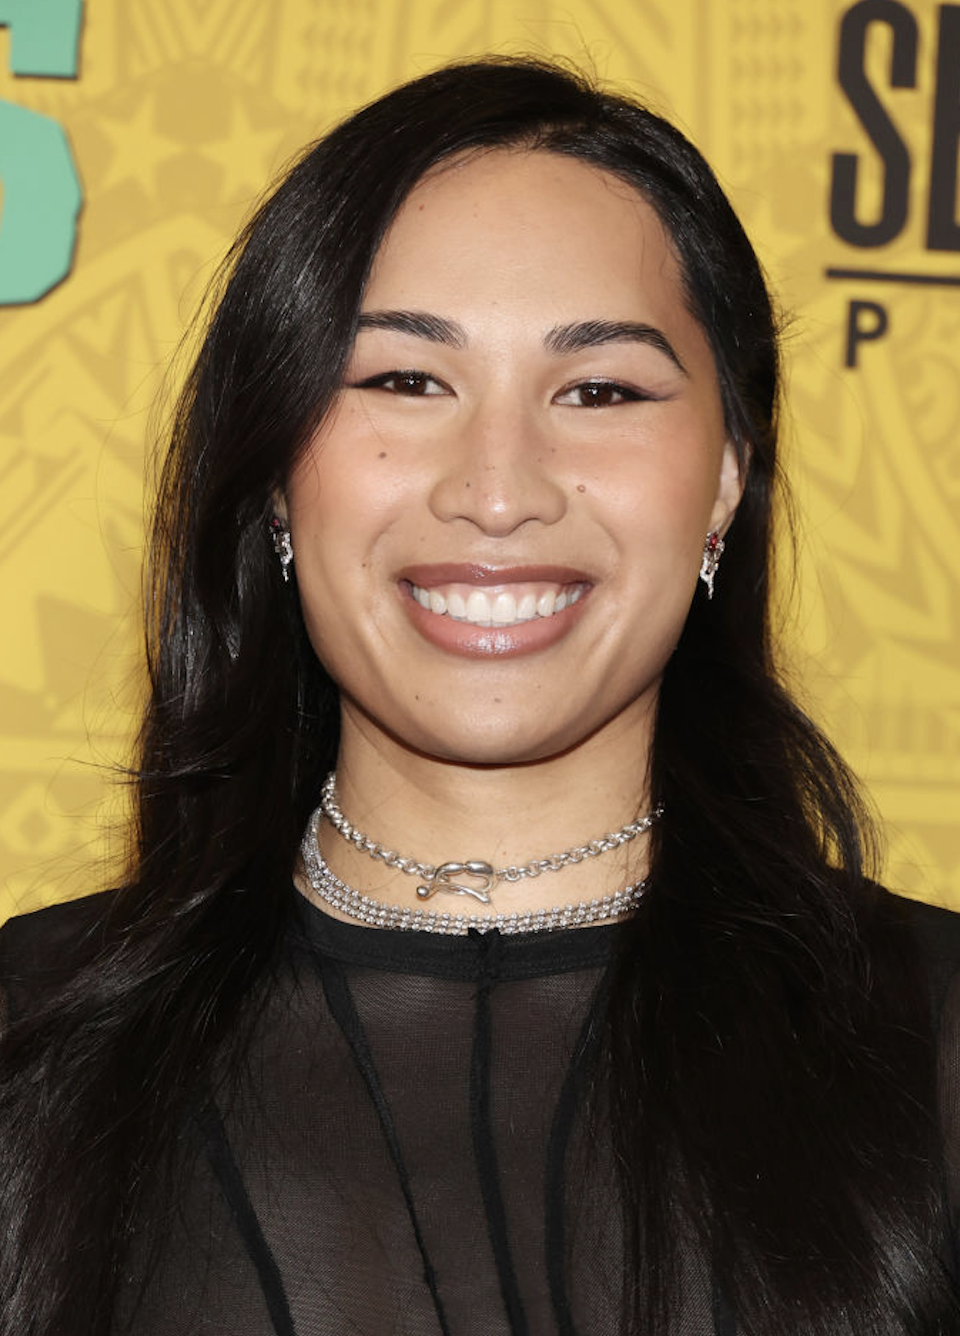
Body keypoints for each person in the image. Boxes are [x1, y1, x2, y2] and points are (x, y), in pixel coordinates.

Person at [0, 55, 958, 1336]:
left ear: (727, 478)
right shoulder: (31, 1042)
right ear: (279, 469)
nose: (498, 488)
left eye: (601, 390)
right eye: (403, 380)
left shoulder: (929, 1037)